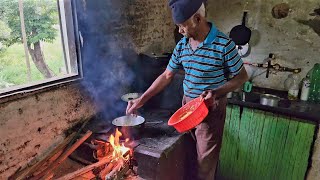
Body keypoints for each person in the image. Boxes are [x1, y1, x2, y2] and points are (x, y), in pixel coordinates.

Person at [126, 0, 249, 179]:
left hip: (209, 110)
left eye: (182, 26)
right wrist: (141, 100)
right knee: (187, 158)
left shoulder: (224, 44)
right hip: (187, 109)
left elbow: (242, 77)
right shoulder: (182, 45)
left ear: (197, 19)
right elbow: (166, 76)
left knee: (204, 166)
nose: (179, 31)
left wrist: (216, 93)